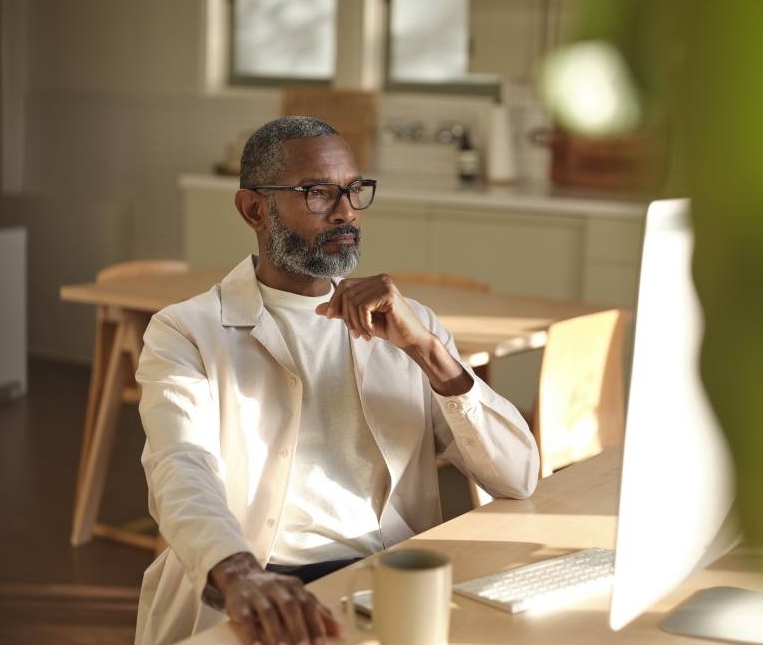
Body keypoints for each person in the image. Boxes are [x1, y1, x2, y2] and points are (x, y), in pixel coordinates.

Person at [134, 116, 540, 645]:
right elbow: (180, 470)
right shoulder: (184, 331)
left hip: (386, 583)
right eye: (318, 193)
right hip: (261, 585)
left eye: (353, 190)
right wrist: (240, 576)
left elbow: (520, 476)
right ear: (254, 209)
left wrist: (428, 352)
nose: (347, 211)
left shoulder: (410, 325)